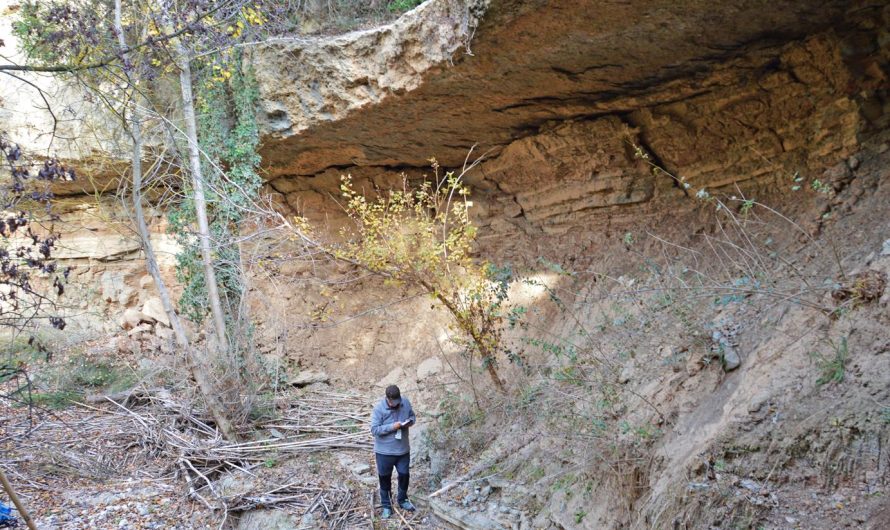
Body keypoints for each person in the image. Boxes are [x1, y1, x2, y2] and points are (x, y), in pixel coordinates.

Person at [370, 384, 417, 519]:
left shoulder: (405, 402)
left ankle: (402, 500)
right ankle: (386, 506)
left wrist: (409, 422)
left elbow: (413, 417)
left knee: (404, 475)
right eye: (392, 403)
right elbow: (374, 430)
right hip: (384, 452)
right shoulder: (379, 408)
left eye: (397, 402)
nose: (395, 405)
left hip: (402, 450)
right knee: (384, 479)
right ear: (387, 399)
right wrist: (392, 426)